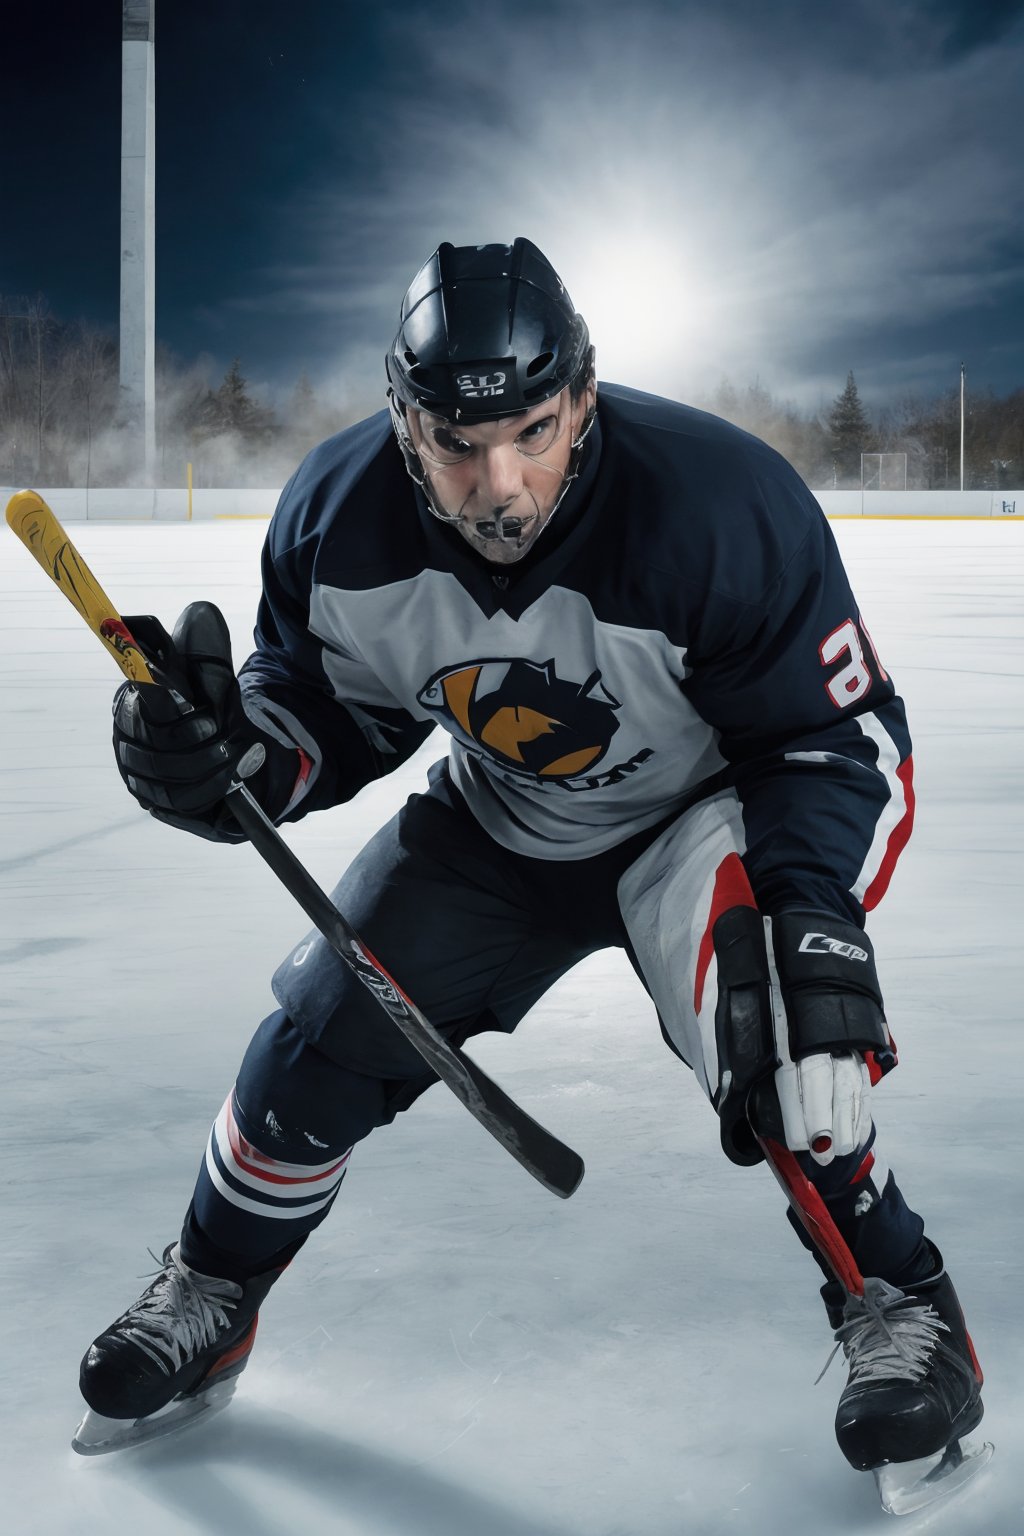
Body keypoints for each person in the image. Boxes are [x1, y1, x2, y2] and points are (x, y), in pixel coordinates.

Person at [76, 238, 984, 1492]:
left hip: (705, 813)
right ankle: (214, 1287)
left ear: (584, 398)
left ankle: (901, 1301)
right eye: (455, 443)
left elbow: (834, 737)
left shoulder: (718, 505)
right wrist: (225, 757)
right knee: (315, 1041)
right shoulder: (340, 519)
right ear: (403, 421)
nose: (497, 485)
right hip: (501, 819)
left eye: (533, 432)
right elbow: (328, 715)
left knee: (779, 1029)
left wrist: (814, 921)